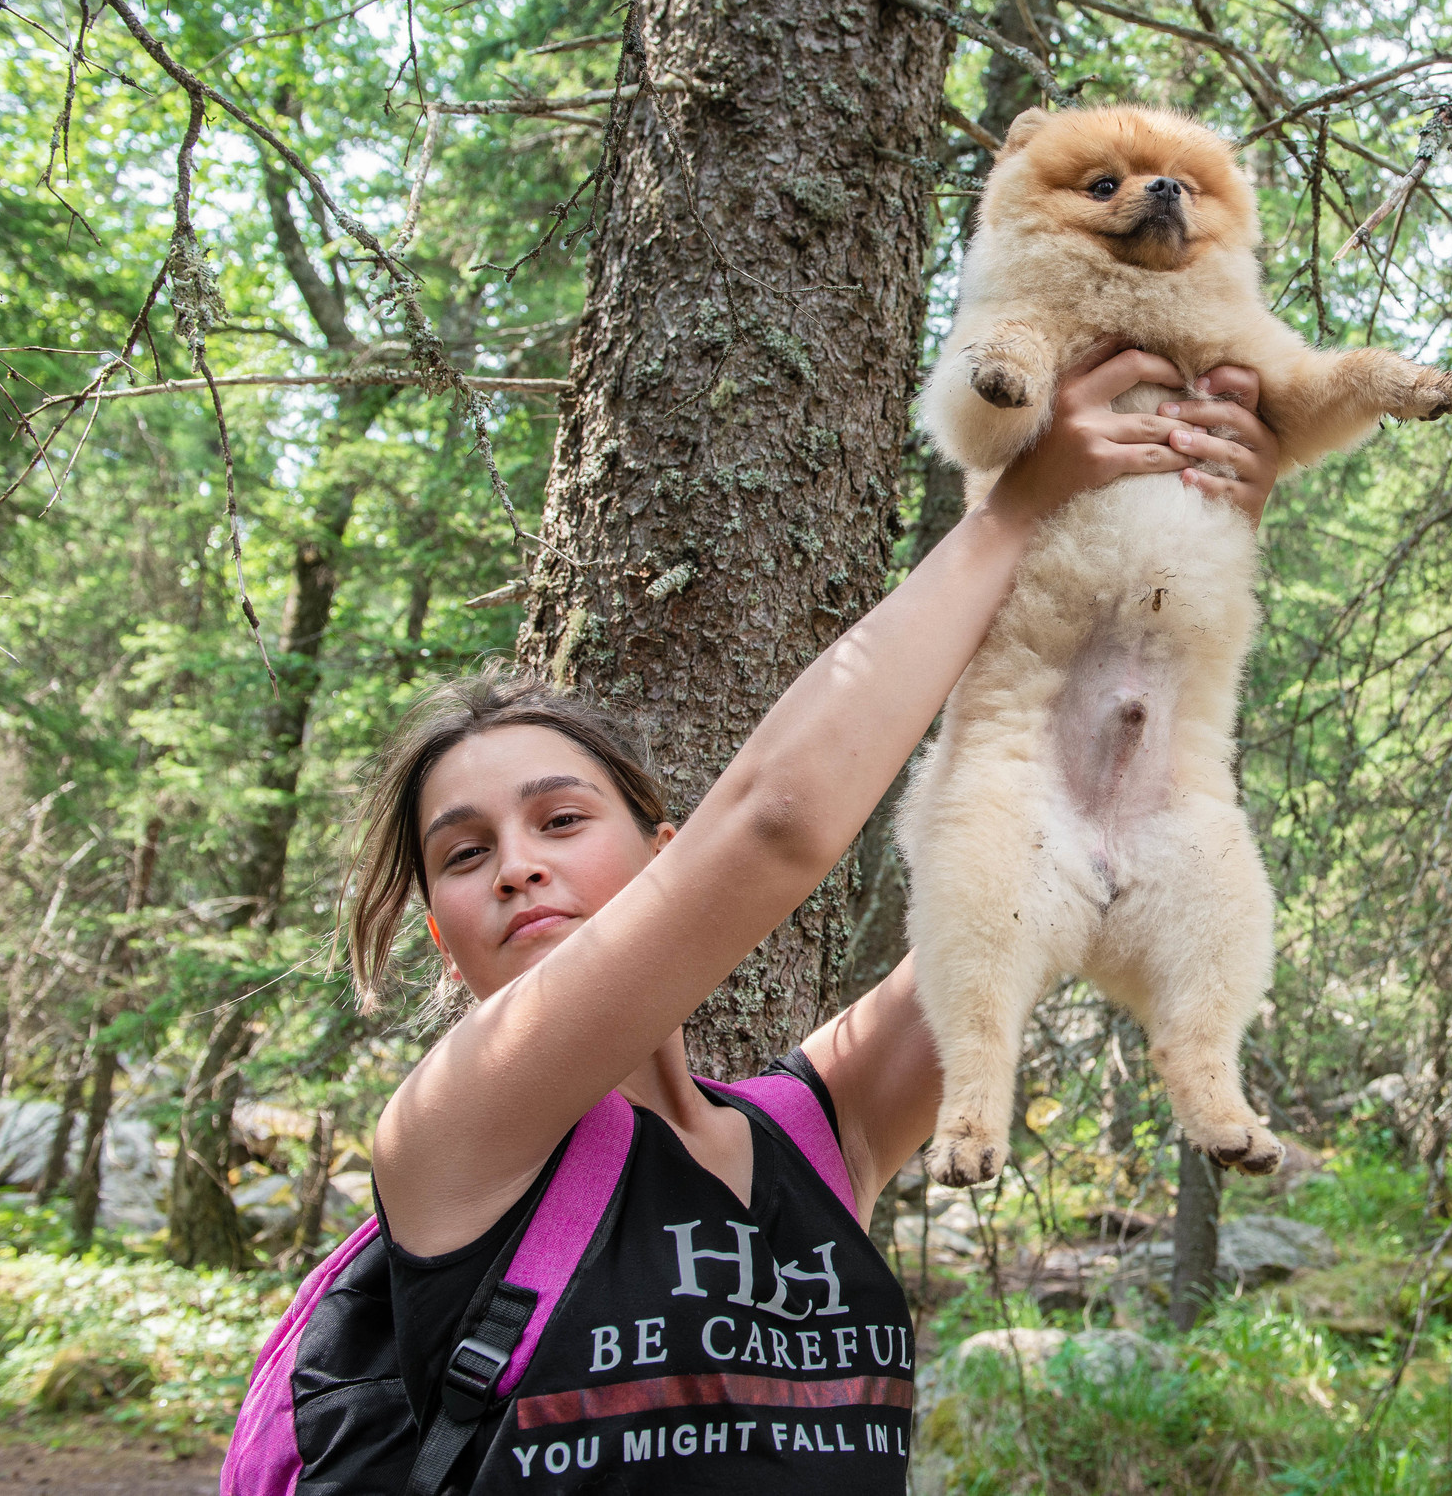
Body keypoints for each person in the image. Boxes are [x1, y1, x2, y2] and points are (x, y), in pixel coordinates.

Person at [339, 346, 1280, 1492]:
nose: (517, 868)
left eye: (561, 818)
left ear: (662, 854)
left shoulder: (815, 1132)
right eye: (466, 852)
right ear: (438, 925)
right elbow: (777, 823)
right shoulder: (451, 1136)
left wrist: (1197, 530)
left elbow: (1058, 868)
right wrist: (1016, 505)